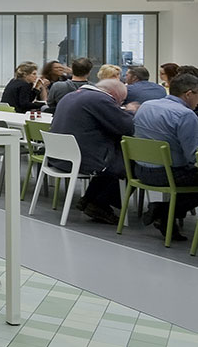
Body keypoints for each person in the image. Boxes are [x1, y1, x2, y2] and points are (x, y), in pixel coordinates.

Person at [48, 78, 134, 224]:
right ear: (113, 94)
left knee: (115, 158)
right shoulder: (100, 100)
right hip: (81, 160)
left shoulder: (71, 95)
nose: (119, 104)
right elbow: (127, 127)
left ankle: (90, 198)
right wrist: (131, 111)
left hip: (59, 157)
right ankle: (100, 203)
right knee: (131, 162)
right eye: (120, 101)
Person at [133, 73, 198, 238]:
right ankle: (164, 211)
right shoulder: (186, 115)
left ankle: (165, 215)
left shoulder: (147, 105)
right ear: (189, 94)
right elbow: (193, 156)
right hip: (168, 175)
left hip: (140, 170)